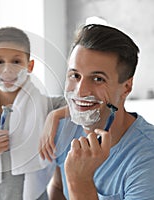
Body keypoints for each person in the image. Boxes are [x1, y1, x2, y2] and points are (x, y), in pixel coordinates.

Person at [43, 24, 154, 199]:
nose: (80, 91)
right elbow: (58, 188)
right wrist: (53, 115)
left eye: (97, 79)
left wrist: (80, 182)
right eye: (75, 75)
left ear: (126, 87)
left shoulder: (147, 157)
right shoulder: (64, 130)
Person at [0, 27, 66, 200]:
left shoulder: (49, 106)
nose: (7, 70)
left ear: (29, 66)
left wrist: (54, 115)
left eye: (16, 61)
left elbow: (86, 107)